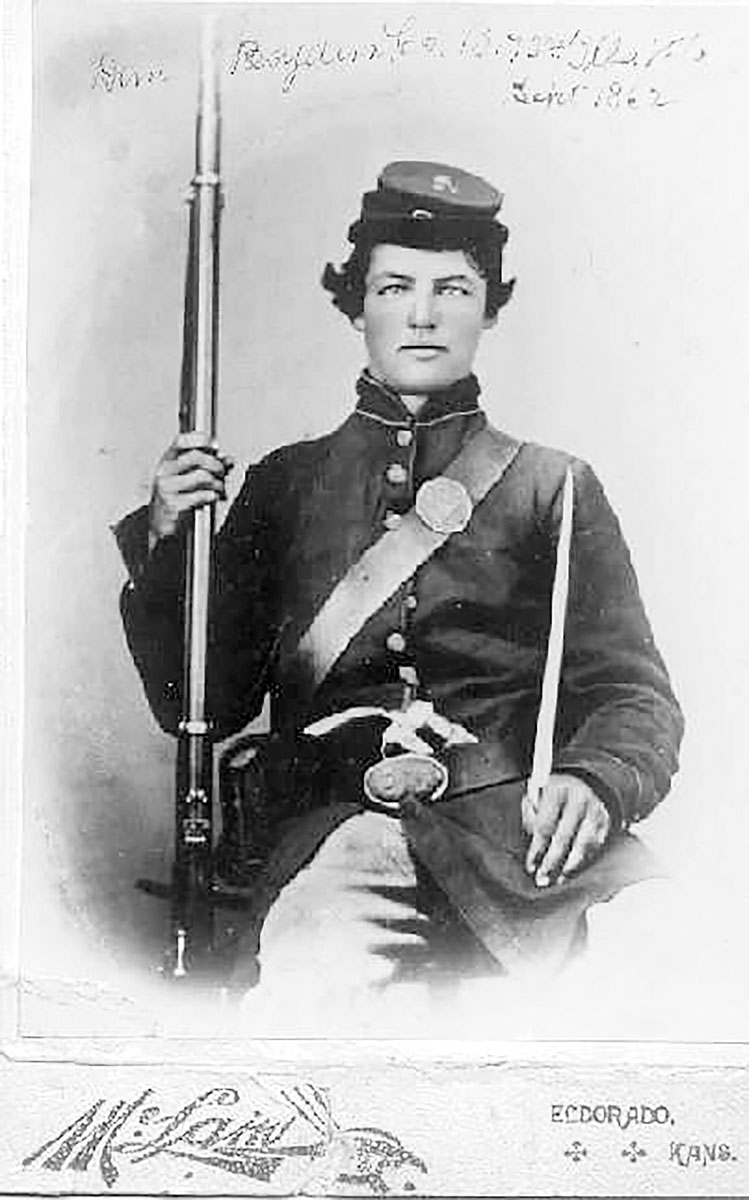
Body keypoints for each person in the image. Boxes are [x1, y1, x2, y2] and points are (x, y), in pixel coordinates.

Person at [115, 162, 683, 1021]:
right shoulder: (284, 485)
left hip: (516, 841)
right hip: (334, 831)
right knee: (311, 985)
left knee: (677, 963)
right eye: (394, 287)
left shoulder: (552, 487)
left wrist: (596, 782)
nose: (422, 315)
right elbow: (198, 702)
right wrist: (168, 540)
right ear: (355, 306)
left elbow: (632, 695)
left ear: (491, 306)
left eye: (452, 288)